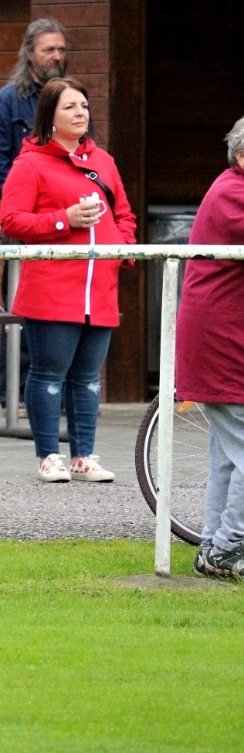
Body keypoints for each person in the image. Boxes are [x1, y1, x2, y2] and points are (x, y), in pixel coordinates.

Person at [0, 76, 136, 483]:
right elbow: (12, 220)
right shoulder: (30, 164)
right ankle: (48, 456)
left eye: (84, 106)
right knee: (48, 374)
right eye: (70, 107)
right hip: (52, 288)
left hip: (100, 288)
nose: (81, 113)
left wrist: (121, 251)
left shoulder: (104, 162)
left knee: (89, 378)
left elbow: (124, 214)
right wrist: (65, 220)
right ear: (50, 116)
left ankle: (83, 456)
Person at [0, 17, 68, 418]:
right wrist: (30, 201)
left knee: (63, 315)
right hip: (25, 229)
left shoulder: (71, 100)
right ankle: (15, 398)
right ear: (29, 52)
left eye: (61, 50)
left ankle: (58, 398)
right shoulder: (7, 102)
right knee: (20, 314)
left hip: (67, 228)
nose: (56, 57)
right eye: (49, 49)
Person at [175, 117, 244, 581]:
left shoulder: (230, 186)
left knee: (226, 454)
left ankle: (214, 543)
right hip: (221, 339)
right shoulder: (232, 193)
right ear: (241, 155)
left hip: (223, 334)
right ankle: (227, 547)